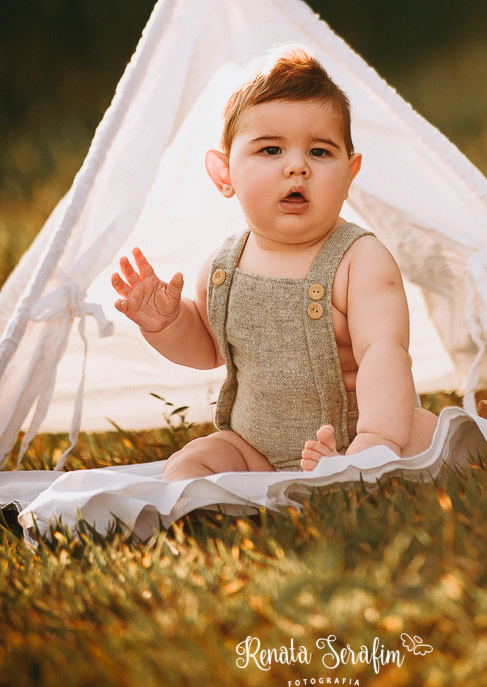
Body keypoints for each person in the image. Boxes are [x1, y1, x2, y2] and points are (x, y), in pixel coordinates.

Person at [111, 51, 437, 480]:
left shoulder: (360, 261)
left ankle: (365, 469)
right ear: (224, 172)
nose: (297, 166)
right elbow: (210, 349)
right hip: (253, 448)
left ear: (349, 173)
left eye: (320, 152)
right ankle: (196, 512)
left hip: (353, 437)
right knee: (189, 465)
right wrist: (168, 324)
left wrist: (373, 445)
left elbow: (384, 354)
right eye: (270, 149)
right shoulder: (222, 267)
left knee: (425, 440)